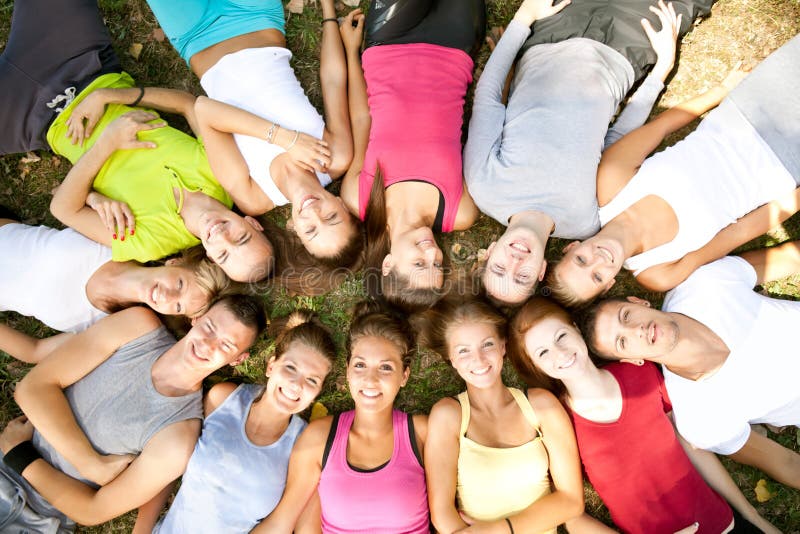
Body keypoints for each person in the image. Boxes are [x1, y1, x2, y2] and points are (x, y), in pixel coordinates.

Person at [0, 0, 275, 283]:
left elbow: (63, 209)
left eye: (224, 255)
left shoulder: (152, 243)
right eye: (241, 238)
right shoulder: (226, 176)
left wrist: (106, 145)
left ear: (211, 257)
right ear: (252, 223)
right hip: (83, 65)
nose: (222, 237)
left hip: (29, 120)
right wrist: (107, 96)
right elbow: (188, 105)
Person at [464, 0, 714, 306]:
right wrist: (660, 72)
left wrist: (523, 19)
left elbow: (488, 97)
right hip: (623, 52)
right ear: (541, 271)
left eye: (500, 267)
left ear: (489, 252)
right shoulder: (587, 222)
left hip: (551, 36)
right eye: (522, 276)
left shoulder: (484, 188)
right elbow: (620, 142)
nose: (515, 261)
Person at [550, 33, 800, 306]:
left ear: (572, 247)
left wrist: (721, 91)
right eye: (597, 277)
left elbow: (661, 127)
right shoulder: (657, 273)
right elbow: (737, 233)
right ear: (609, 285)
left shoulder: (609, 185)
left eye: (581, 260)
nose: (598, 260)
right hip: (783, 169)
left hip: (745, 113)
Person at [118, 0, 362, 271]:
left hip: (196, 37)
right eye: (331, 217)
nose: (314, 213)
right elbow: (333, 80)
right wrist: (329, 13)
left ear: (294, 230)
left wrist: (285, 139)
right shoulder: (335, 157)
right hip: (257, 16)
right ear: (341, 204)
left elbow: (204, 110)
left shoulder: (255, 197)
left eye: (311, 230)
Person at [509, 296, 778, 533]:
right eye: (543, 352)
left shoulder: (641, 372)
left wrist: (750, 514)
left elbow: (691, 446)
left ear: (576, 330)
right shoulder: (561, 421)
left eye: (561, 336)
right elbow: (573, 517)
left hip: (723, 525)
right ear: (537, 368)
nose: (560, 353)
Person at [0, 294, 265, 532]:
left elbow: (93, 510)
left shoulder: (179, 435)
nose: (208, 345)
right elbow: (31, 389)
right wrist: (90, 464)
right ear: (196, 319)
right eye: (209, 328)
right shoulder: (138, 328)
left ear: (237, 360)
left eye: (226, 345)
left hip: (34, 519)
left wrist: (21, 458)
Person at [578, 243, 800, 490]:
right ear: (632, 361)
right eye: (622, 341)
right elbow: (786, 463)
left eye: (626, 316)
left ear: (639, 302)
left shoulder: (703, 285)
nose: (636, 331)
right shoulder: (700, 420)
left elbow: (790, 258)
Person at [338, 0, 485, 310]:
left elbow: (362, 118)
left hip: (388, 43)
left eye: (420, 264)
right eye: (437, 266)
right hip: (454, 49)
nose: (432, 254)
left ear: (388, 264)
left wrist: (351, 53)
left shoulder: (359, 197)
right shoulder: (458, 212)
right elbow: (482, 130)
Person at [132, 310, 336, 533]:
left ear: (317, 392)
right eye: (291, 368)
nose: (297, 385)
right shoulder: (223, 399)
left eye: (312, 380)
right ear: (271, 366)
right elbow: (167, 469)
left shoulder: (305, 445)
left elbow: (285, 522)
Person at [251, 301, 429, 533]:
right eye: (360, 365)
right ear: (347, 370)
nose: (370, 379)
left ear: (404, 376)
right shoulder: (319, 437)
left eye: (385, 368)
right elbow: (286, 518)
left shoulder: (423, 433)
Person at [421, 296, 583, 533]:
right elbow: (442, 514)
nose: (478, 359)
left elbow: (571, 501)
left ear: (503, 346)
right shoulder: (449, 415)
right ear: (451, 359)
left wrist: (501, 529)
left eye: (487, 344)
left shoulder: (541, 406)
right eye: (463, 351)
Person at [0, 217, 231, 337]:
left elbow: (36, 352)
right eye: (180, 284)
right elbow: (66, 206)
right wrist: (95, 200)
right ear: (175, 262)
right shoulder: (123, 242)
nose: (168, 296)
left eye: (179, 306)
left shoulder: (111, 324)